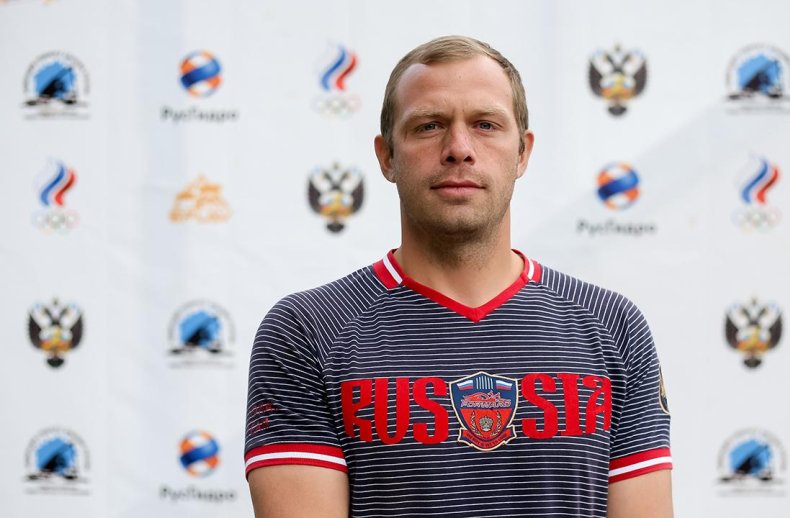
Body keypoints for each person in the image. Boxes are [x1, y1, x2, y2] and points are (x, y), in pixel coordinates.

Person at [244, 35, 673, 518]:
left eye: (486, 124)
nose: (459, 149)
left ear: (523, 153)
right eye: (429, 126)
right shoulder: (306, 331)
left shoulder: (612, 326)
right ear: (387, 157)